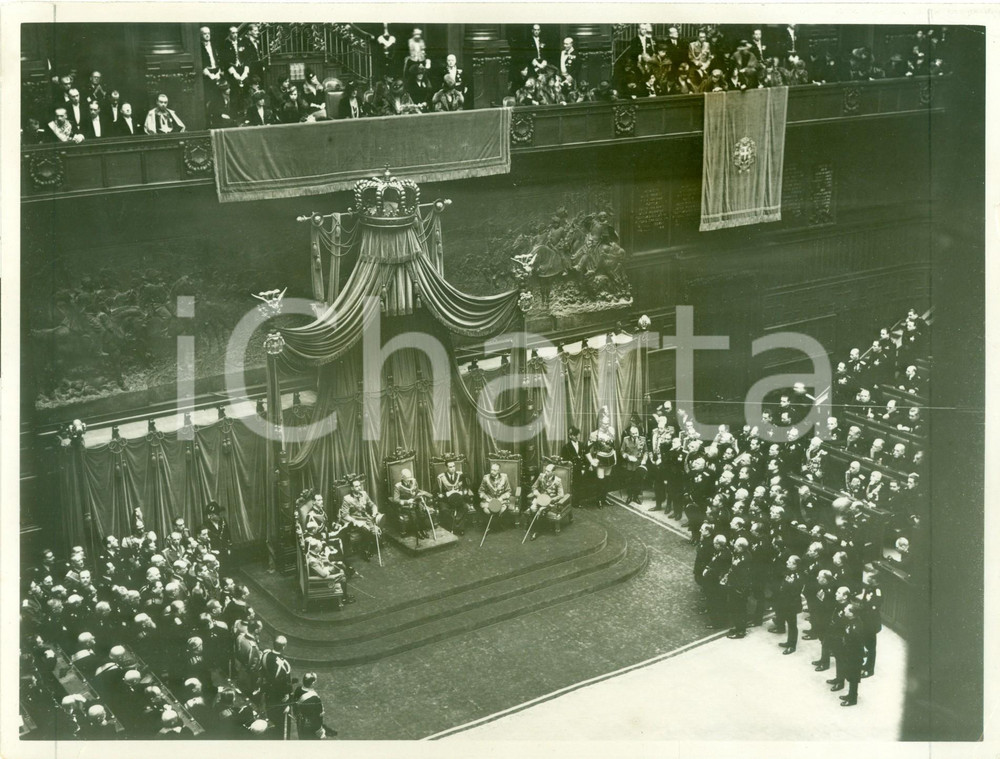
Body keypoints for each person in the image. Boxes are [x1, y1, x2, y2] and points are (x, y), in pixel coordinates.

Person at [342, 477, 386, 558]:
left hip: (367, 518)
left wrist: (374, 512)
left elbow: (372, 505)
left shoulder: (364, 494)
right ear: (352, 488)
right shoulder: (347, 499)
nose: (359, 487)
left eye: (359, 485)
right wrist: (355, 521)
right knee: (366, 530)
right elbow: (344, 515)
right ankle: (366, 550)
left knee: (376, 529)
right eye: (356, 486)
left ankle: (374, 542)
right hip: (356, 521)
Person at [771, 554, 804, 654]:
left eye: (789, 562)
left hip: (791, 604)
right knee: (789, 623)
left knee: (792, 625)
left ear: (795, 565)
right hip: (784, 602)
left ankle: (792, 645)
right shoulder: (788, 572)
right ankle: (789, 642)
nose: (787, 562)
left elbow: (795, 592)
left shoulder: (799, 576)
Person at [526, 463, 565, 541]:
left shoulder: (557, 481)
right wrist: (536, 492)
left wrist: (551, 500)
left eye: (548, 471)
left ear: (553, 472)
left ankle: (536, 531)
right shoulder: (541, 476)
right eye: (546, 470)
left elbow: (561, 495)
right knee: (533, 508)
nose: (546, 472)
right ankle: (537, 526)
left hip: (550, 501)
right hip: (540, 497)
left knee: (540, 511)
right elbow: (534, 487)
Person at [292, 672, 335, 739]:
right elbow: (318, 716)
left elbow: (294, 705)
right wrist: (320, 732)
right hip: (311, 727)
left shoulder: (298, 689)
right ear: (312, 683)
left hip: (300, 722)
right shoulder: (315, 699)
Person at [436, 460, 474, 536]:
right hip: (446, 500)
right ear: (446, 468)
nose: (453, 468)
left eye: (454, 466)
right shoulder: (441, 477)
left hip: (458, 498)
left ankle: (458, 527)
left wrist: (462, 493)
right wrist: (447, 493)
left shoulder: (460, 475)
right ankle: (455, 527)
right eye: (450, 467)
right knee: (444, 510)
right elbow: (436, 492)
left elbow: (465, 488)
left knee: (465, 508)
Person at [838, 604, 865, 706]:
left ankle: (853, 699)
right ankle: (851, 694)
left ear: (852, 613)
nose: (844, 610)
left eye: (846, 609)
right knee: (850, 676)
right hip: (850, 653)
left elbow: (857, 644)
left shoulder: (856, 626)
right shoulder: (851, 621)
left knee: (853, 677)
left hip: (854, 656)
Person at [560, 426, 590, 508]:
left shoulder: (582, 445)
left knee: (579, 486)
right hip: (571, 471)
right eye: (574, 435)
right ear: (570, 436)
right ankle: (570, 502)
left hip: (581, 470)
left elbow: (585, 458)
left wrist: (584, 468)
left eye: (578, 434)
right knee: (572, 487)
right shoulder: (566, 447)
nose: (577, 436)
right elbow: (563, 461)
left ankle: (577, 502)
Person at [478, 462, 515, 529]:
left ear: (498, 471)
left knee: (500, 510)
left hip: (501, 500)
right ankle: (491, 526)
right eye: (491, 470)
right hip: (489, 500)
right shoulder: (486, 478)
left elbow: (509, 491)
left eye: (494, 470)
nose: (492, 472)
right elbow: (481, 491)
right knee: (487, 511)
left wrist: (501, 498)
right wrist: (487, 499)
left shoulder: (504, 478)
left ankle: (496, 526)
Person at [620, 423, 647, 505]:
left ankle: (635, 497)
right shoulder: (626, 439)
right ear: (630, 433)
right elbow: (622, 451)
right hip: (629, 464)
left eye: (636, 433)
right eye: (633, 433)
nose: (635, 435)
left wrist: (644, 459)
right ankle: (630, 496)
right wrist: (628, 457)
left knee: (638, 481)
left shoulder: (643, 439)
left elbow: (646, 451)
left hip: (639, 464)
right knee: (629, 481)